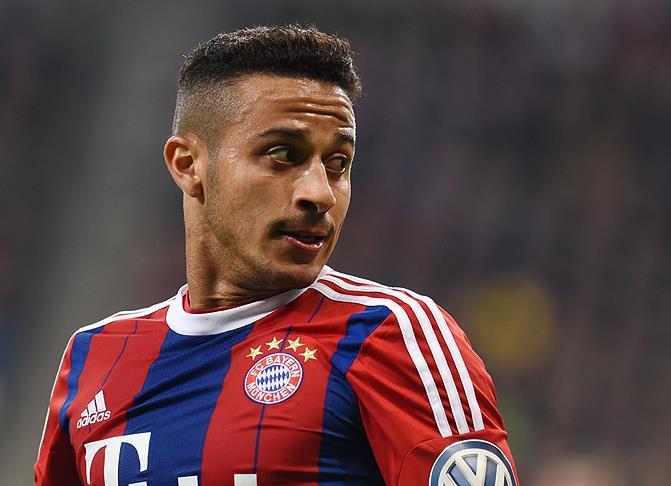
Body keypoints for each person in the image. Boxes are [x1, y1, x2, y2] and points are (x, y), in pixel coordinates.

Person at [34, 25, 517, 486]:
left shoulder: (390, 333)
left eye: (338, 163)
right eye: (283, 155)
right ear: (188, 164)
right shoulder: (94, 356)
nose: (320, 193)